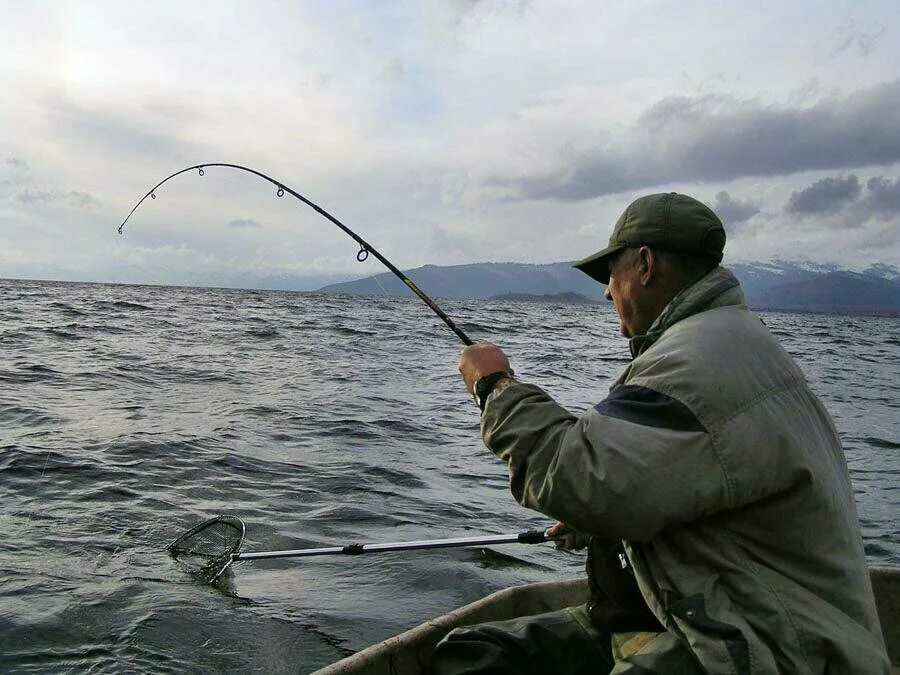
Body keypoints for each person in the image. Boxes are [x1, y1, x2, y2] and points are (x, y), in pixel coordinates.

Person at [431, 192, 889, 674]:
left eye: (611, 273)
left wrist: (496, 387)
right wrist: (605, 526)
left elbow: (577, 477)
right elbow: (699, 485)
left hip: (768, 649)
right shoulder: (732, 342)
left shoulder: (697, 363)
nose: (608, 292)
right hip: (719, 619)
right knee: (474, 654)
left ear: (645, 265)